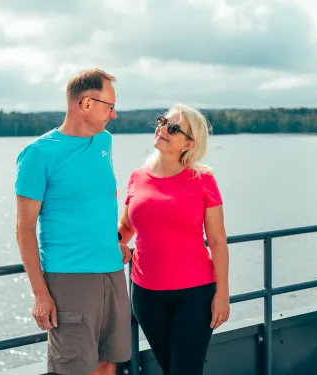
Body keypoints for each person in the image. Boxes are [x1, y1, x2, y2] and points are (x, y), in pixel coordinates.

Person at [15, 68, 132, 375]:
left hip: (112, 272)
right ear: (86, 104)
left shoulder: (104, 141)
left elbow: (100, 198)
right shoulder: (37, 155)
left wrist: (114, 241)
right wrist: (40, 294)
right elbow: (24, 229)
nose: (114, 114)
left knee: (109, 363)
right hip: (70, 279)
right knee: (78, 370)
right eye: (109, 106)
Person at [117, 104, 230, 375]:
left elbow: (216, 240)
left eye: (174, 128)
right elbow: (126, 227)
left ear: (189, 143)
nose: (163, 129)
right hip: (146, 295)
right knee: (171, 369)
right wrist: (113, 241)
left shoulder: (203, 180)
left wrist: (222, 293)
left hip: (194, 295)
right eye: (162, 121)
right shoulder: (137, 177)